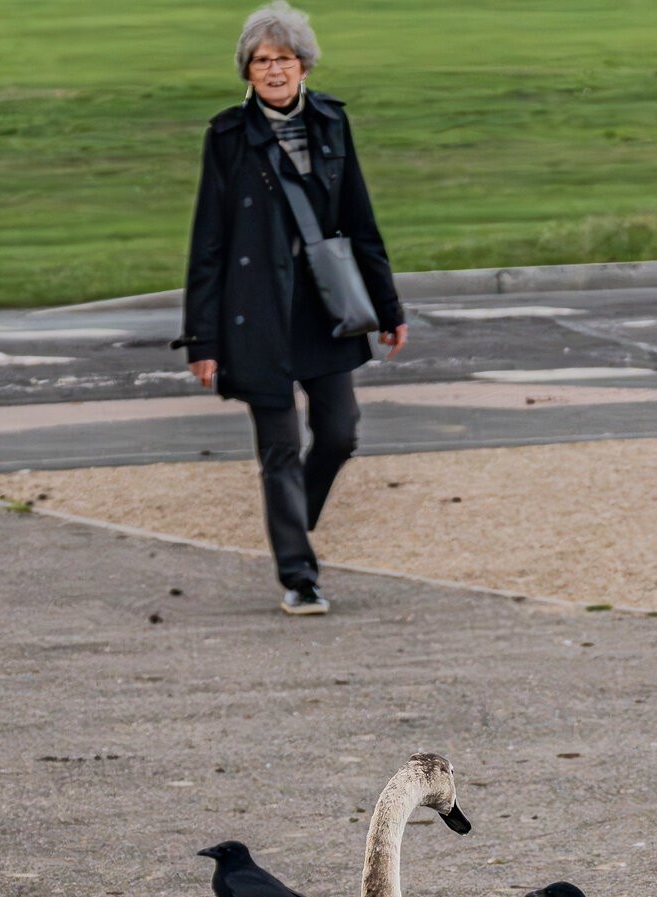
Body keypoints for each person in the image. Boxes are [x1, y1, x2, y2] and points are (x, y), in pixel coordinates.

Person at [177, 2, 408, 616]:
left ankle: (292, 525)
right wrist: (202, 340)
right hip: (256, 316)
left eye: (283, 58)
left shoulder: (332, 121)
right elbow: (209, 242)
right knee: (277, 449)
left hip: (326, 311)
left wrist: (388, 306)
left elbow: (360, 220)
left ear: (303, 65)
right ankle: (298, 575)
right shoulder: (227, 137)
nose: (273, 70)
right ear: (247, 72)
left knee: (339, 432)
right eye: (261, 61)